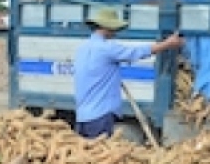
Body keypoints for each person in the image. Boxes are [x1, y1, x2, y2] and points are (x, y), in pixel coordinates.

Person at [73, 8, 184, 139]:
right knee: (100, 151)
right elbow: (136, 52)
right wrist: (168, 44)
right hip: (100, 115)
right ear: (106, 27)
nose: (115, 33)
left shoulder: (83, 48)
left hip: (82, 116)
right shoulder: (107, 48)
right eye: (114, 29)